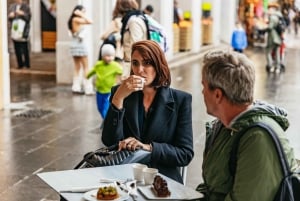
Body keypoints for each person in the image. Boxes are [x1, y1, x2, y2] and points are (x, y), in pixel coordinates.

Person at [197, 49, 299, 201]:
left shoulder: (258, 138)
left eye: (204, 86)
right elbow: (212, 187)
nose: (202, 92)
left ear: (218, 95)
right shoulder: (225, 127)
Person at [101, 40, 194, 183]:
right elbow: (109, 141)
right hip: (125, 175)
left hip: (162, 179)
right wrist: (118, 98)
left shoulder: (181, 100)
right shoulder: (120, 93)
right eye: (135, 63)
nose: (139, 70)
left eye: (147, 63)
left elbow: (185, 154)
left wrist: (148, 148)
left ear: (158, 65)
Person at [86, 44, 123, 123]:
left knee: (105, 108)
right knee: (99, 108)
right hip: (99, 91)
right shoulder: (98, 64)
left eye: (112, 56)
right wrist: (87, 76)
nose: (110, 58)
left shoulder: (115, 65)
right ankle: (106, 120)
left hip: (109, 91)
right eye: (107, 55)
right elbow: (93, 71)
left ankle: (107, 122)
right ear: (102, 56)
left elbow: (122, 71)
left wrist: (122, 79)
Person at [115, 0, 148, 78]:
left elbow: (137, 44)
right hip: (131, 63)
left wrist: (135, 68)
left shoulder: (133, 21)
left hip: (133, 66)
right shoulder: (131, 19)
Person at [67, 5, 94, 95]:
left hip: (74, 45)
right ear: (77, 11)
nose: (84, 13)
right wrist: (81, 14)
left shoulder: (72, 20)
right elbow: (90, 21)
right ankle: (88, 88)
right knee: (86, 67)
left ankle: (76, 87)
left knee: (77, 67)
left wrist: (81, 14)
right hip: (80, 45)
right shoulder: (76, 19)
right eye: (83, 11)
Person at [8, 0, 31, 69]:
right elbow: (9, 18)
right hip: (15, 29)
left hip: (23, 30)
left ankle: (27, 64)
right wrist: (11, 16)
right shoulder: (12, 6)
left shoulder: (26, 7)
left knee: (24, 48)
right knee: (16, 47)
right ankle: (20, 64)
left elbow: (28, 18)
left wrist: (23, 14)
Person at [265, 3, 283, 74]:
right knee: (277, 53)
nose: (268, 10)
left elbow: (270, 27)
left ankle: (271, 66)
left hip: (273, 38)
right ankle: (278, 67)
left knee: (268, 52)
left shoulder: (273, 17)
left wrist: (263, 29)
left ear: (273, 9)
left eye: (269, 8)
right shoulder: (279, 16)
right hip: (278, 38)